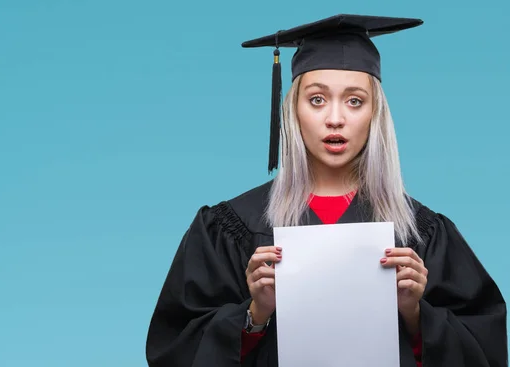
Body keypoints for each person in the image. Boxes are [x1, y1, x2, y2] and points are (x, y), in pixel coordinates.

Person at [144, 14, 508, 367]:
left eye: (355, 101)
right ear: (293, 110)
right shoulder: (231, 227)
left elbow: (485, 350)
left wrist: (415, 314)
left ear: (375, 114)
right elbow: (173, 349)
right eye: (317, 99)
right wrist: (255, 314)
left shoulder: (420, 233)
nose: (335, 118)